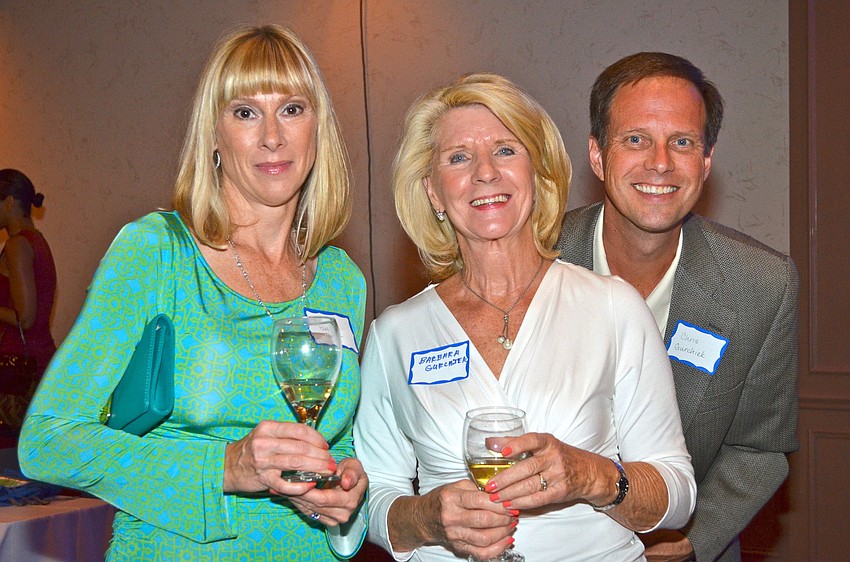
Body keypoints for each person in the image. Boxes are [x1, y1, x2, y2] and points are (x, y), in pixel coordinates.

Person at [19, 25, 368, 561]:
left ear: (317, 128)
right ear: (214, 136)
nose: (272, 136)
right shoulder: (157, 252)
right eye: (245, 112)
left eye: (292, 109)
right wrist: (224, 467)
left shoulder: (342, 279)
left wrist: (344, 493)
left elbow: (335, 439)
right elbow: (47, 440)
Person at [354, 73, 696, 562]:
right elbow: (372, 495)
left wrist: (590, 475)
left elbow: (677, 492)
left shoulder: (614, 308)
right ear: (433, 192)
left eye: (505, 150)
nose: (485, 172)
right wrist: (427, 518)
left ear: (538, 172)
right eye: (458, 158)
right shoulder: (395, 333)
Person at [557, 52, 799, 562]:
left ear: (706, 162)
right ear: (597, 155)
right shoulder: (534, 258)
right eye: (635, 139)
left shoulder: (761, 285)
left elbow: (759, 448)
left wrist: (689, 539)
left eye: (683, 142)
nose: (661, 163)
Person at [0, 169, 57, 430]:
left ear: (9, 202)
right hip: (35, 362)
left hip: (17, 371)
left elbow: (25, 318)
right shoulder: (37, 241)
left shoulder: (17, 245)